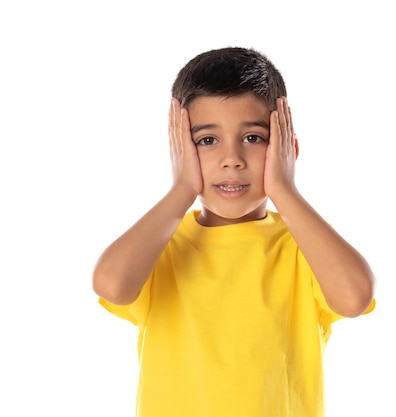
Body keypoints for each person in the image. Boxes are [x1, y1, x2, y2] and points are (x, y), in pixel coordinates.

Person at [92, 46, 376, 417]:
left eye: (253, 138)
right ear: (179, 151)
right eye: (207, 140)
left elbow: (355, 296)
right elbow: (110, 284)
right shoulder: (160, 248)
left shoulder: (303, 248)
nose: (232, 159)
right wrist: (181, 189)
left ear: (287, 149)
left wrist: (285, 190)